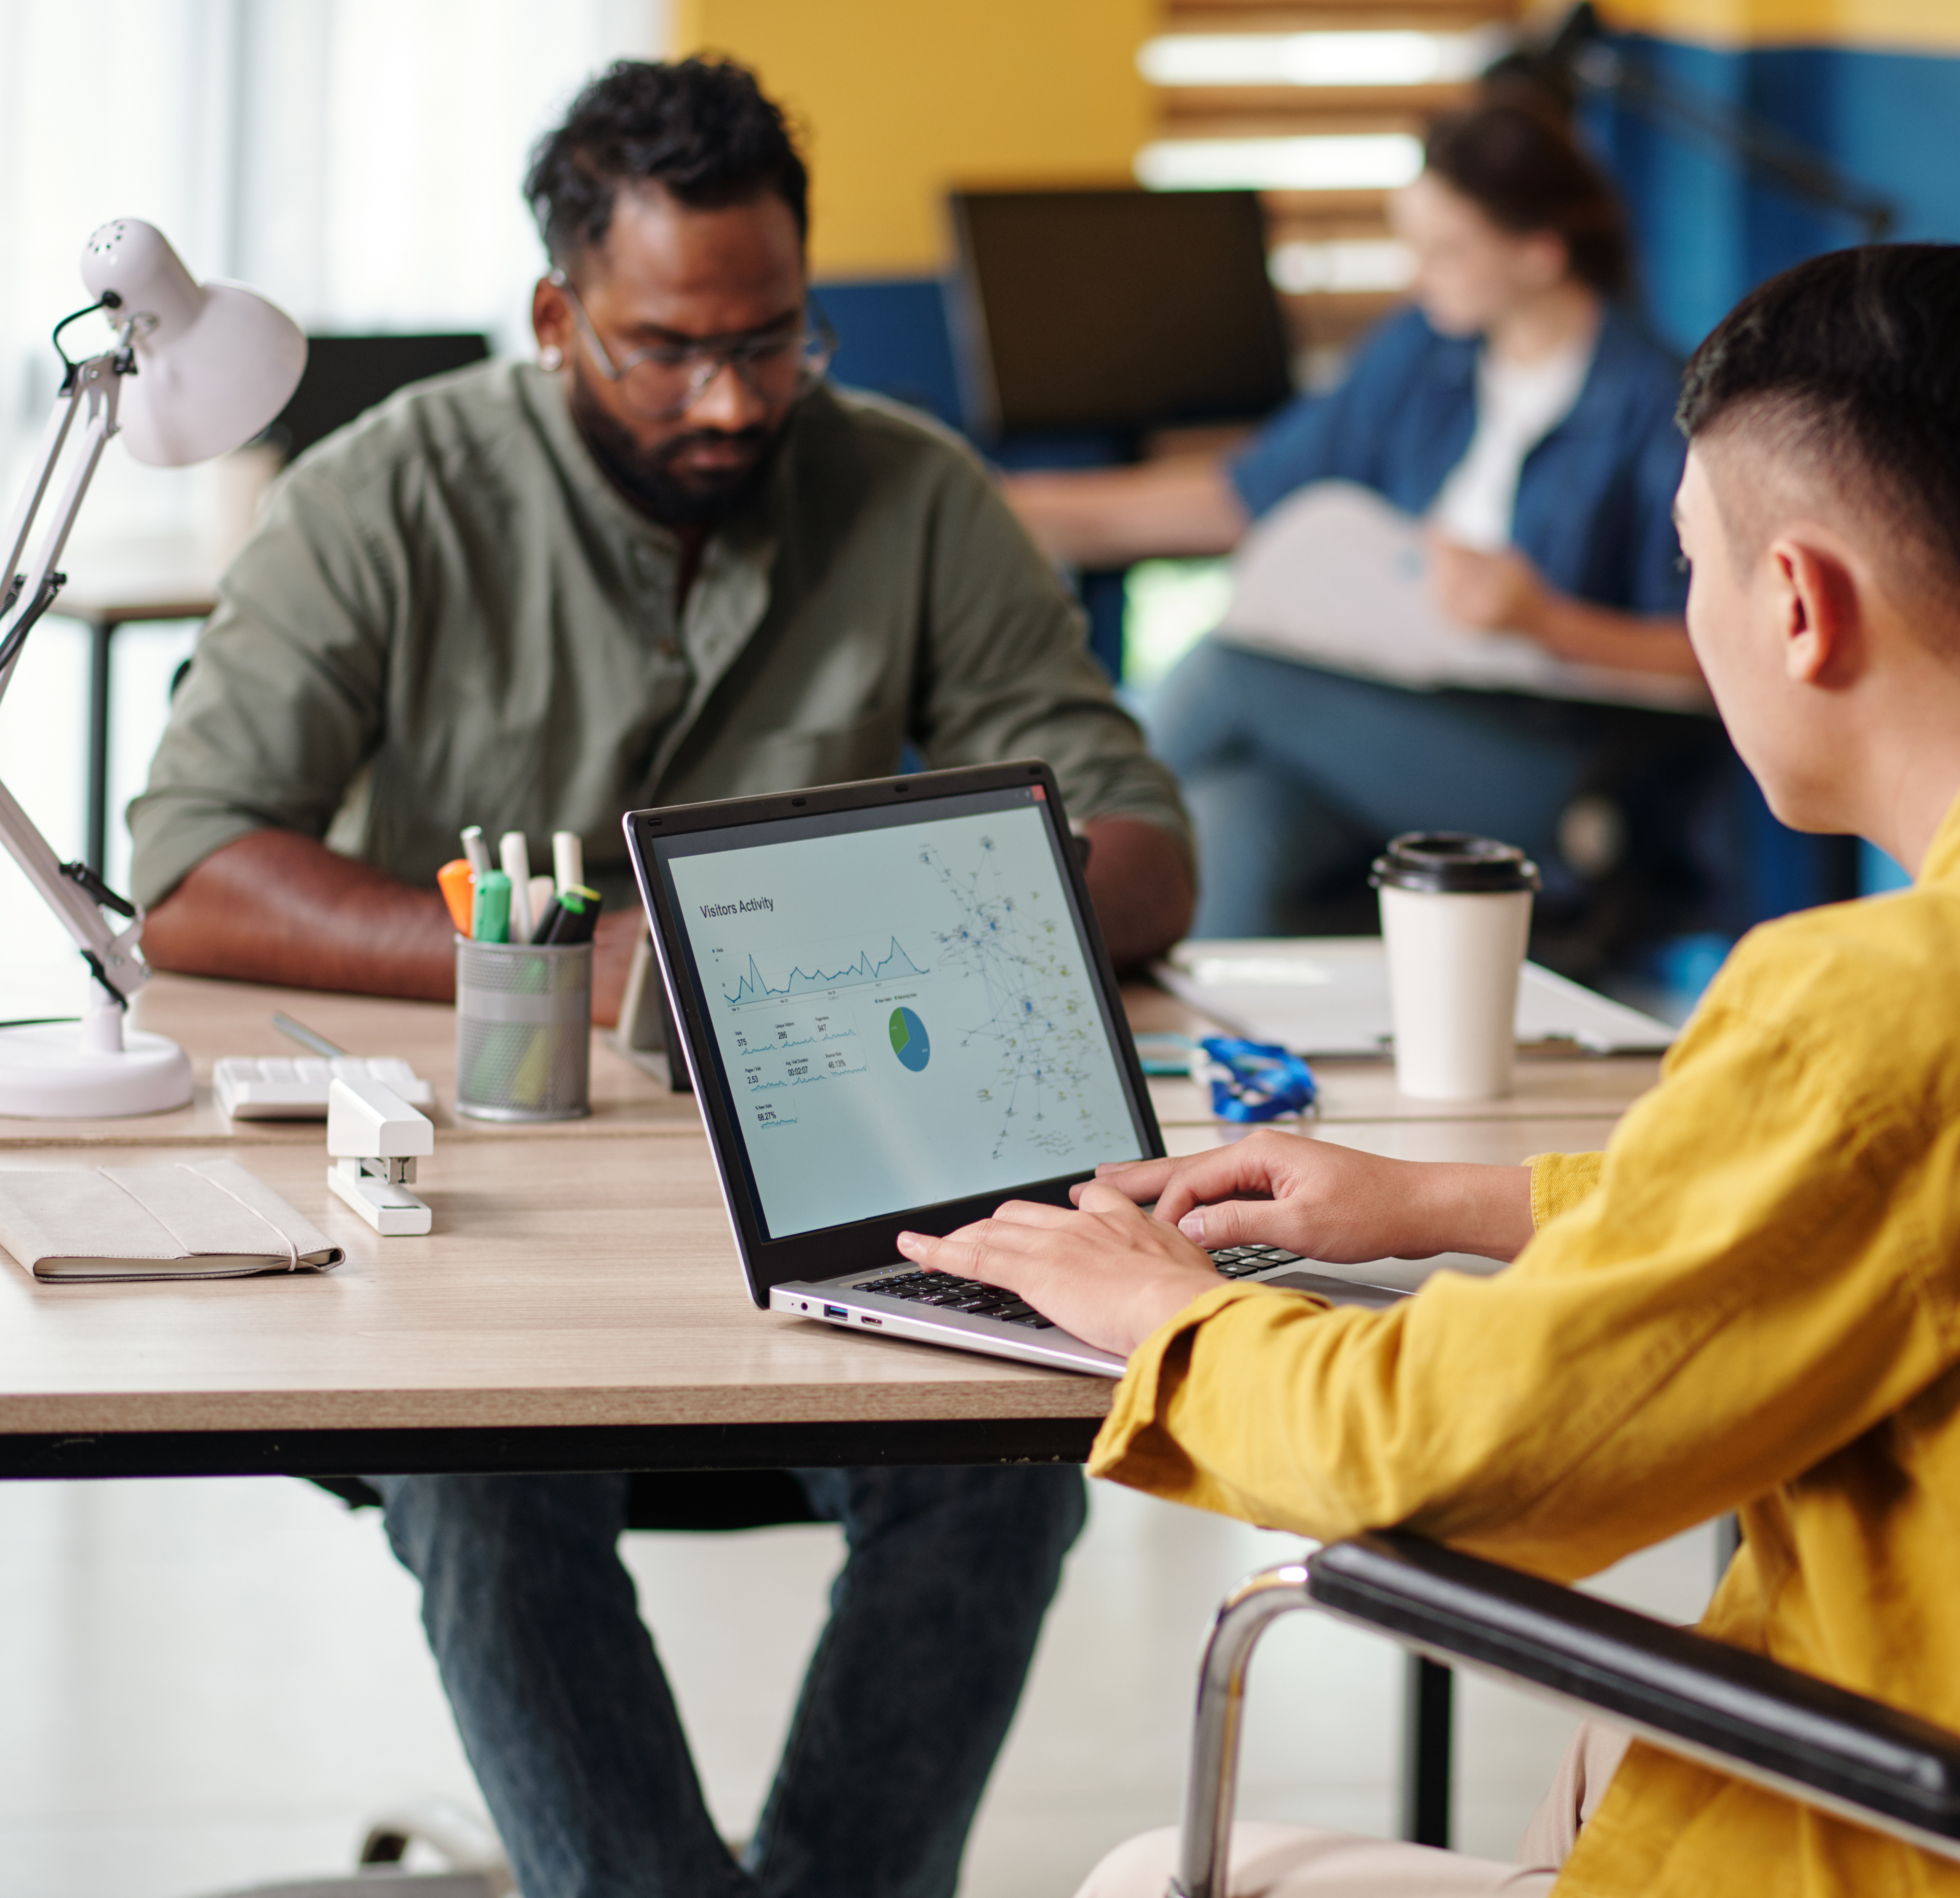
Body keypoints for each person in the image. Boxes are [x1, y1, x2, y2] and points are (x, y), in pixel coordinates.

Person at [903, 244, 1960, 1897]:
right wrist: (1459, 1204)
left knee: (1149, 1873)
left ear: (1799, 602)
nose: (1695, 612)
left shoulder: (1893, 995)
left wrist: (1162, 1316)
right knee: (1628, 1716)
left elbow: (1456, 1465)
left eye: (1687, 566)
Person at [127, 60, 1194, 1898]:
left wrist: (850, 935)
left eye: (773, 344)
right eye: (665, 351)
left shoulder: (912, 491)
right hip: (503, 1244)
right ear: (557, 315)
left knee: (1011, 1464)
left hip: (853, 1198)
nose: (729, 401)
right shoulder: (389, 493)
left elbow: (1149, 850)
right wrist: (596, 953)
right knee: (487, 1478)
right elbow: (192, 872)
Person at [1006, 101, 1708, 939]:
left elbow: (1704, 662)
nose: (1421, 275)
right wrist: (1011, 508)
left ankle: (1009, 889)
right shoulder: (1426, 352)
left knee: (1235, 674)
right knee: (1239, 802)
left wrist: (1544, 621)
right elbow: (1253, 489)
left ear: (1539, 252)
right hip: (1387, 721)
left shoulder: (1654, 406)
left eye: (1447, 251)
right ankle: (1191, 1062)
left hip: (1557, 769)